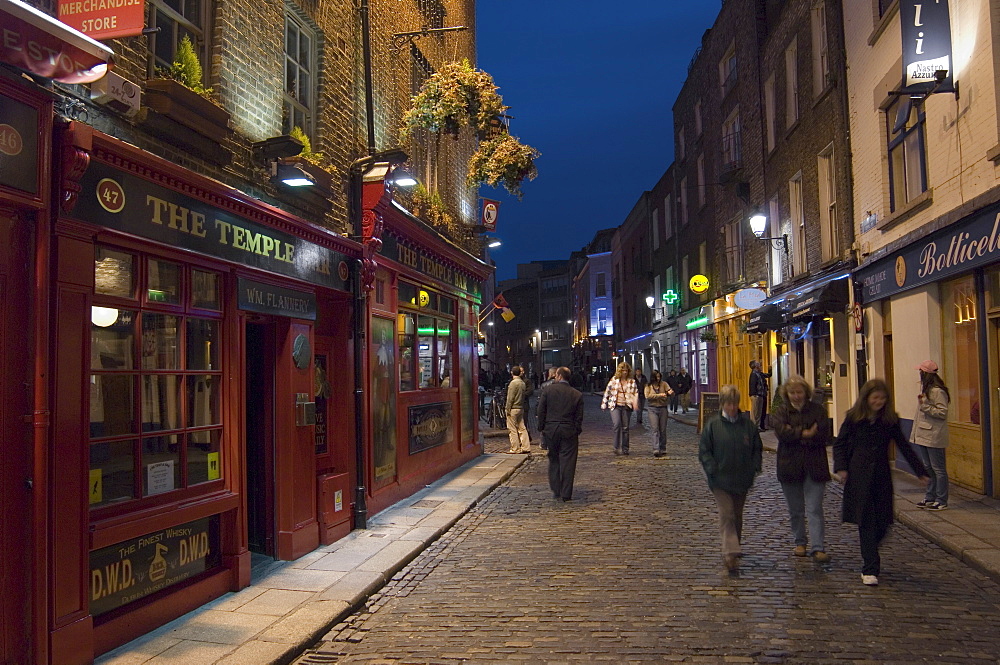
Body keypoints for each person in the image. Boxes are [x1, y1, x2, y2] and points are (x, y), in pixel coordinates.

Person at [833, 378, 929, 586]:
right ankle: (870, 568)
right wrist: (841, 467)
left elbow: (903, 446)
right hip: (859, 475)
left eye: (883, 398)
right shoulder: (854, 418)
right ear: (866, 398)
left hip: (882, 476)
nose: (879, 402)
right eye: (875, 398)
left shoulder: (889, 420)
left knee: (884, 523)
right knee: (866, 521)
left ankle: (870, 551)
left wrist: (920, 471)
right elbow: (840, 444)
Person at [698, 385, 763, 572]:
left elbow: (756, 448)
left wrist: (754, 467)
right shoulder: (713, 425)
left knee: (737, 515)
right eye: (728, 404)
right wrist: (712, 468)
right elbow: (704, 451)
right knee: (727, 513)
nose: (732, 408)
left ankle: (735, 547)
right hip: (720, 479)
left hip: (742, 478)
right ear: (722, 404)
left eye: (735, 404)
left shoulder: (747, 426)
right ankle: (730, 551)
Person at [770, 375, 832, 563]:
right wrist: (804, 433)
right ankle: (800, 542)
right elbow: (781, 432)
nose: (796, 396)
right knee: (795, 509)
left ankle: (818, 547)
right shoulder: (782, 411)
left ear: (806, 392)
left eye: (799, 392)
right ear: (787, 394)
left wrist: (794, 433)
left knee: (814, 508)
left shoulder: (818, 410)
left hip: (815, 464)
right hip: (790, 465)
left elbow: (823, 434)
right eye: (792, 392)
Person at [537, 366, 584, 501]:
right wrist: (576, 429)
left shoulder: (548, 390)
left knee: (554, 459)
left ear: (558, 376)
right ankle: (566, 493)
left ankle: (556, 488)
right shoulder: (576, 394)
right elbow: (579, 416)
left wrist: (542, 428)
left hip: (551, 430)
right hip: (569, 430)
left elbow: (541, 411)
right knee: (568, 462)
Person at [910, 360, 951, 510]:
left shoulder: (937, 391)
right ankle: (930, 497)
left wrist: (925, 406)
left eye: (920, 371)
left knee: (938, 469)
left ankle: (941, 499)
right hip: (923, 434)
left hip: (933, 435)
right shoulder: (927, 390)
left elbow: (942, 412)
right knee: (928, 468)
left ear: (925, 374)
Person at [601, 361, 638, 455]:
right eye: (623, 370)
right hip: (615, 405)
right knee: (617, 425)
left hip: (626, 406)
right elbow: (607, 391)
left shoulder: (632, 381)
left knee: (625, 428)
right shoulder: (614, 380)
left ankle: (625, 448)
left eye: (626, 370)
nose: (625, 372)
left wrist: (635, 402)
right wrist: (604, 403)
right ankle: (616, 447)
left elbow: (635, 393)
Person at [645, 370, 673, 457]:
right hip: (652, 409)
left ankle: (663, 447)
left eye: (659, 377)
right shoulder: (648, 386)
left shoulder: (664, 384)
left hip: (663, 408)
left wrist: (670, 392)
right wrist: (660, 395)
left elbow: (669, 391)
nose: (658, 379)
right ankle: (656, 449)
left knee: (663, 429)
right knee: (655, 429)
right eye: (656, 377)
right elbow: (648, 396)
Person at [505, 366, 531, 454]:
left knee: (512, 429)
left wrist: (507, 409)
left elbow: (510, 398)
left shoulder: (513, 383)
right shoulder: (522, 383)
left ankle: (515, 448)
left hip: (513, 408)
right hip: (520, 407)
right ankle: (526, 447)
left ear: (512, 373)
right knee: (522, 428)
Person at [536, 367, 559, 451]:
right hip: (558, 409)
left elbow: (540, 400)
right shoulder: (562, 385)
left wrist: (537, 412)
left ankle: (544, 443)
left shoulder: (545, 385)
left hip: (547, 408)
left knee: (545, 426)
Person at [748, 361, 772, 431]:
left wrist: (770, 370)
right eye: (758, 364)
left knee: (759, 412)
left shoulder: (759, 373)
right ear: (755, 366)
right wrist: (754, 394)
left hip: (761, 395)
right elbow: (752, 385)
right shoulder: (753, 374)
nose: (760, 365)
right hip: (756, 395)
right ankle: (753, 427)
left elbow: (768, 375)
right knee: (755, 412)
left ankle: (758, 426)